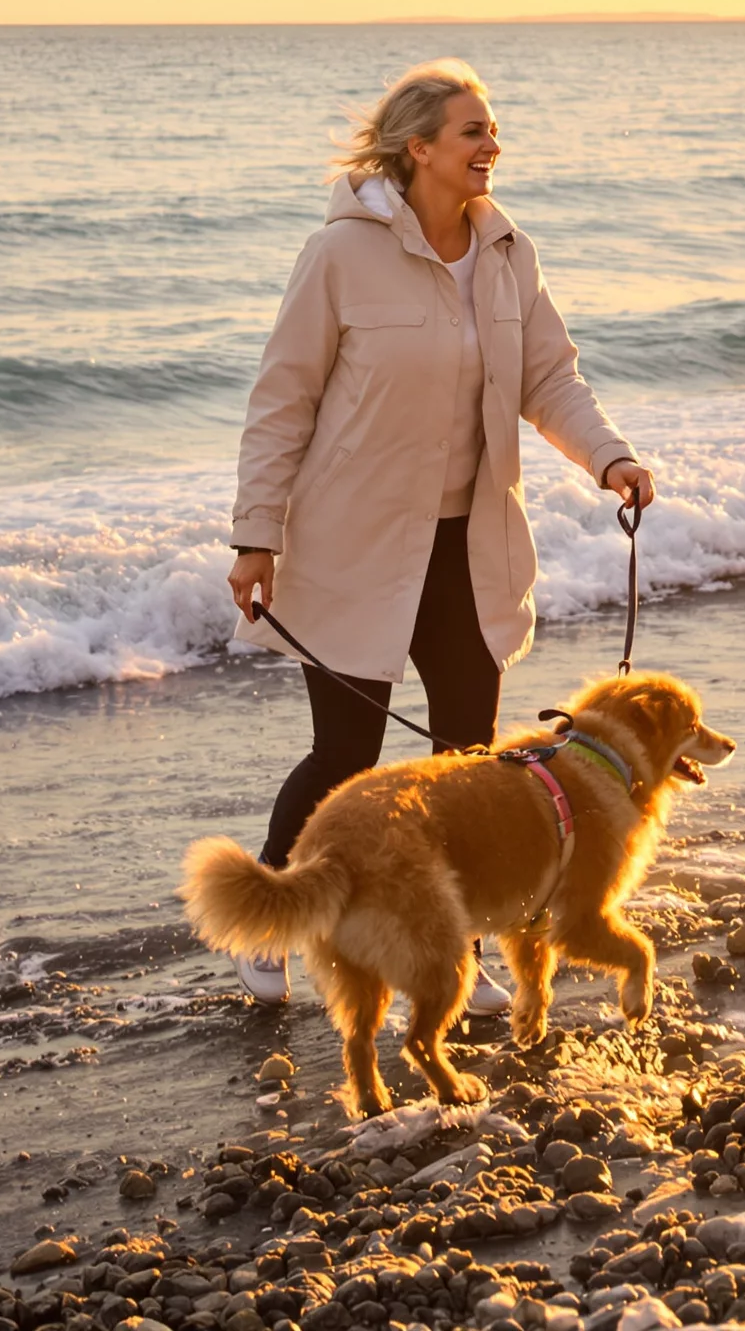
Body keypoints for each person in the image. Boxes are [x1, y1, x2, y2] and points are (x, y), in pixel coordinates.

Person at [222, 60, 653, 1007]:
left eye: (492, 131)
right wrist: (256, 536)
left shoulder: (508, 253)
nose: (490, 146)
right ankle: (268, 920)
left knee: (466, 759)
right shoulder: (339, 254)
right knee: (348, 756)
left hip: (469, 543)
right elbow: (282, 399)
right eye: (472, 131)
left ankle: (450, 944)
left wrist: (609, 458)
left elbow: (552, 380)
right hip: (356, 544)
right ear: (420, 148)